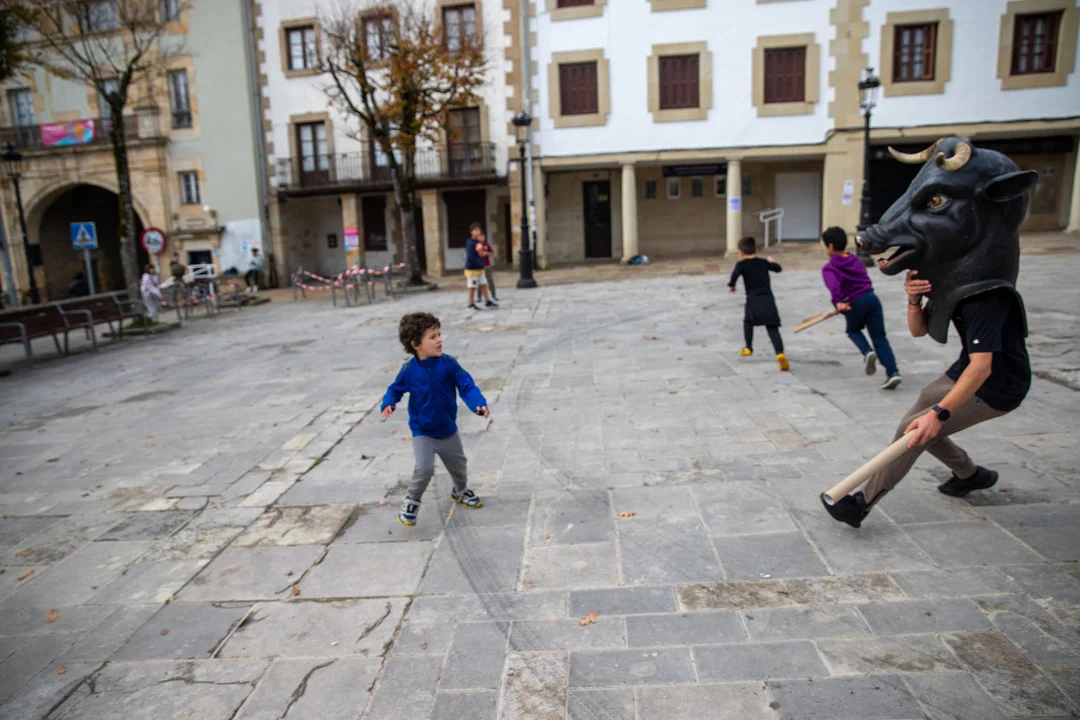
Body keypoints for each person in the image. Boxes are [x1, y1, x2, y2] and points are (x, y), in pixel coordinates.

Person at [823, 271, 1031, 528]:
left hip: (998, 384)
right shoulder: (951, 282)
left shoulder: (986, 296)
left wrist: (939, 414)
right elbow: (918, 330)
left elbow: (981, 368)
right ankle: (969, 474)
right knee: (922, 412)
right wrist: (914, 300)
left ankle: (861, 504)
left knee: (913, 430)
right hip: (964, 369)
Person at [381, 312, 488, 526]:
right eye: (432, 337)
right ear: (416, 345)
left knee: (459, 466)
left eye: (439, 334)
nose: (439, 340)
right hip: (423, 431)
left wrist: (478, 403)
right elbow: (395, 388)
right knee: (424, 468)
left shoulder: (449, 364)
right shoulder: (409, 370)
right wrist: (389, 402)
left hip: (448, 429)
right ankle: (412, 501)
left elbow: (466, 385)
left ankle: (460, 490)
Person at [821, 227, 902, 389]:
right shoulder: (856, 260)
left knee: (853, 330)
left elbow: (834, 286)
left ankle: (867, 352)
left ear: (830, 246)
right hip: (871, 298)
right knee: (879, 337)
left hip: (854, 302)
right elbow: (864, 278)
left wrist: (838, 302)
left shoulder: (830, 267)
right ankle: (893, 372)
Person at [728, 236, 789, 371]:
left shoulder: (741, 265)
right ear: (755, 250)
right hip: (768, 300)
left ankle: (748, 347)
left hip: (753, 300)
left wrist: (732, 286)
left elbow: (734, 276)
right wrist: (772, 261)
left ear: (740, 253)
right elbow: (778, 268)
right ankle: (780, 353)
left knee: (748, 322)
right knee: (772, 328)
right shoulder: (763, 262)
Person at [465, 223, 496, 310]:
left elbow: (481, 254)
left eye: (478, 230)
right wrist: (480, 259)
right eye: (475, 230)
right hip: (472, 269)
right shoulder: (470, 243)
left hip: (480, 268)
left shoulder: (478, 242)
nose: (477, 232)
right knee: (472, 286)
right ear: (471, 232)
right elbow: (471, 257)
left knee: (483, 284)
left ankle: (487, 300)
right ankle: (471, 304)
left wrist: (483, 255)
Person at [479, 231, 498, 302]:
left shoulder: (487, 245)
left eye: (482, 236)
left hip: (487, 265)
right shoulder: (477, 245)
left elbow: (492, 253)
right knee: (480, 282)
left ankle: (493, 294)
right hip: (479, 266)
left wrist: (487, 253)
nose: (481, 238)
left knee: (490, 280)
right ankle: (479, 296)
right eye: (480, 237)